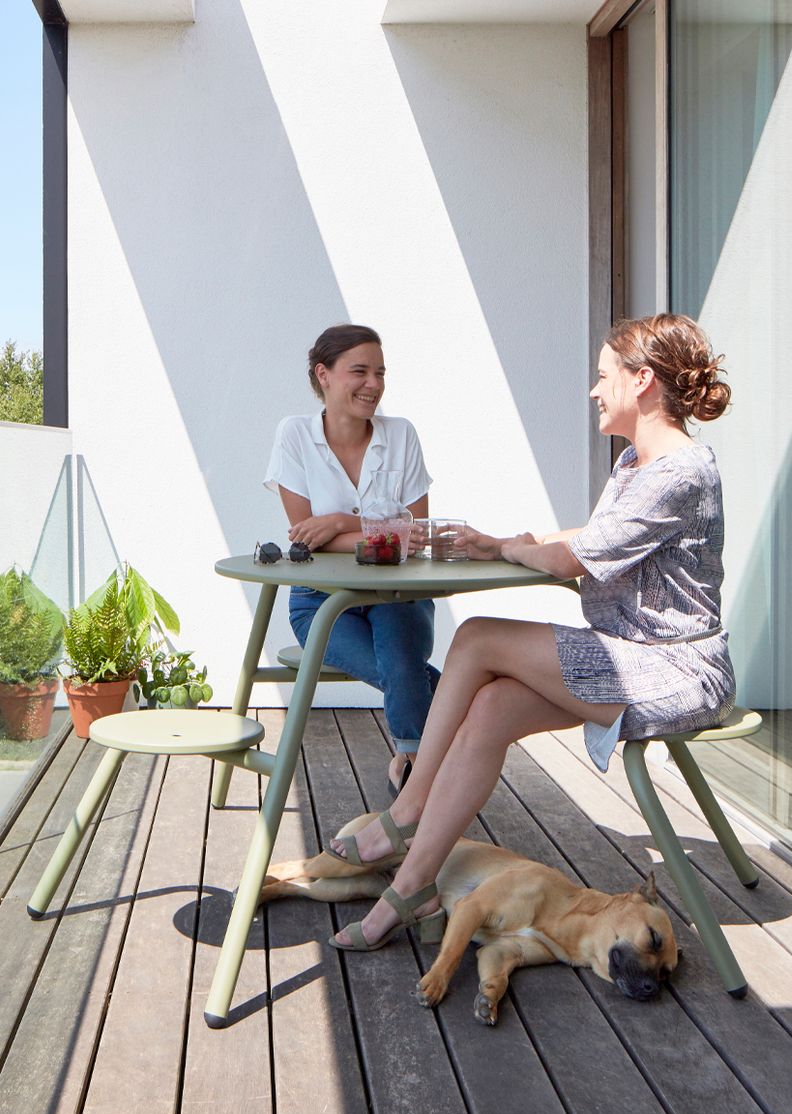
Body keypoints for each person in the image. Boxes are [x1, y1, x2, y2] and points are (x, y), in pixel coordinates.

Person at [327, 313, 737, 951]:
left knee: (477, 639)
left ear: (644, 381)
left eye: (604, 378)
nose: (595, 391)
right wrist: (506, 542)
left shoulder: (678, 473)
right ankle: (412, 886)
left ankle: (406, 814)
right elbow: (588, 537)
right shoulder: (639, 462)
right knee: (489, 706)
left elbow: (571, 561)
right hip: (626, 656)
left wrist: (519, 550)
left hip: (672, 670)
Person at [264, 324, 440, 795]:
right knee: (409, 675)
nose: (374, 384)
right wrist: (379, 531)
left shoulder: (401, 435)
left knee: (401, 659)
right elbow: (305, 540)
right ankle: (467, 715)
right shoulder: (295, 435)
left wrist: (341, 522)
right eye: (359, 371)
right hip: (321, 603)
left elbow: (417, 537)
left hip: (400, 596)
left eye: (380, 372)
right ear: (323, 375)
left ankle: (412, 767)